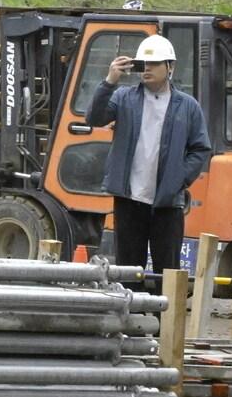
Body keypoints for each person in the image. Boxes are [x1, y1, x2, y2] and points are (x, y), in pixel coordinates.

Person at [88, 34, 211, 274]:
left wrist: (178, 179)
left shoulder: (187, 106)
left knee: (168, 271)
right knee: (128, 270)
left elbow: (200, 149)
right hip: (129, 200)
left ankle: (162, 312)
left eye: (154, 63)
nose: (148, 68)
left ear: (170, 67)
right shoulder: (124, 98)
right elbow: (94, 117)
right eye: (143, 63)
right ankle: (131, 311)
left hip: (167, 202)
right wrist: (110, 80)